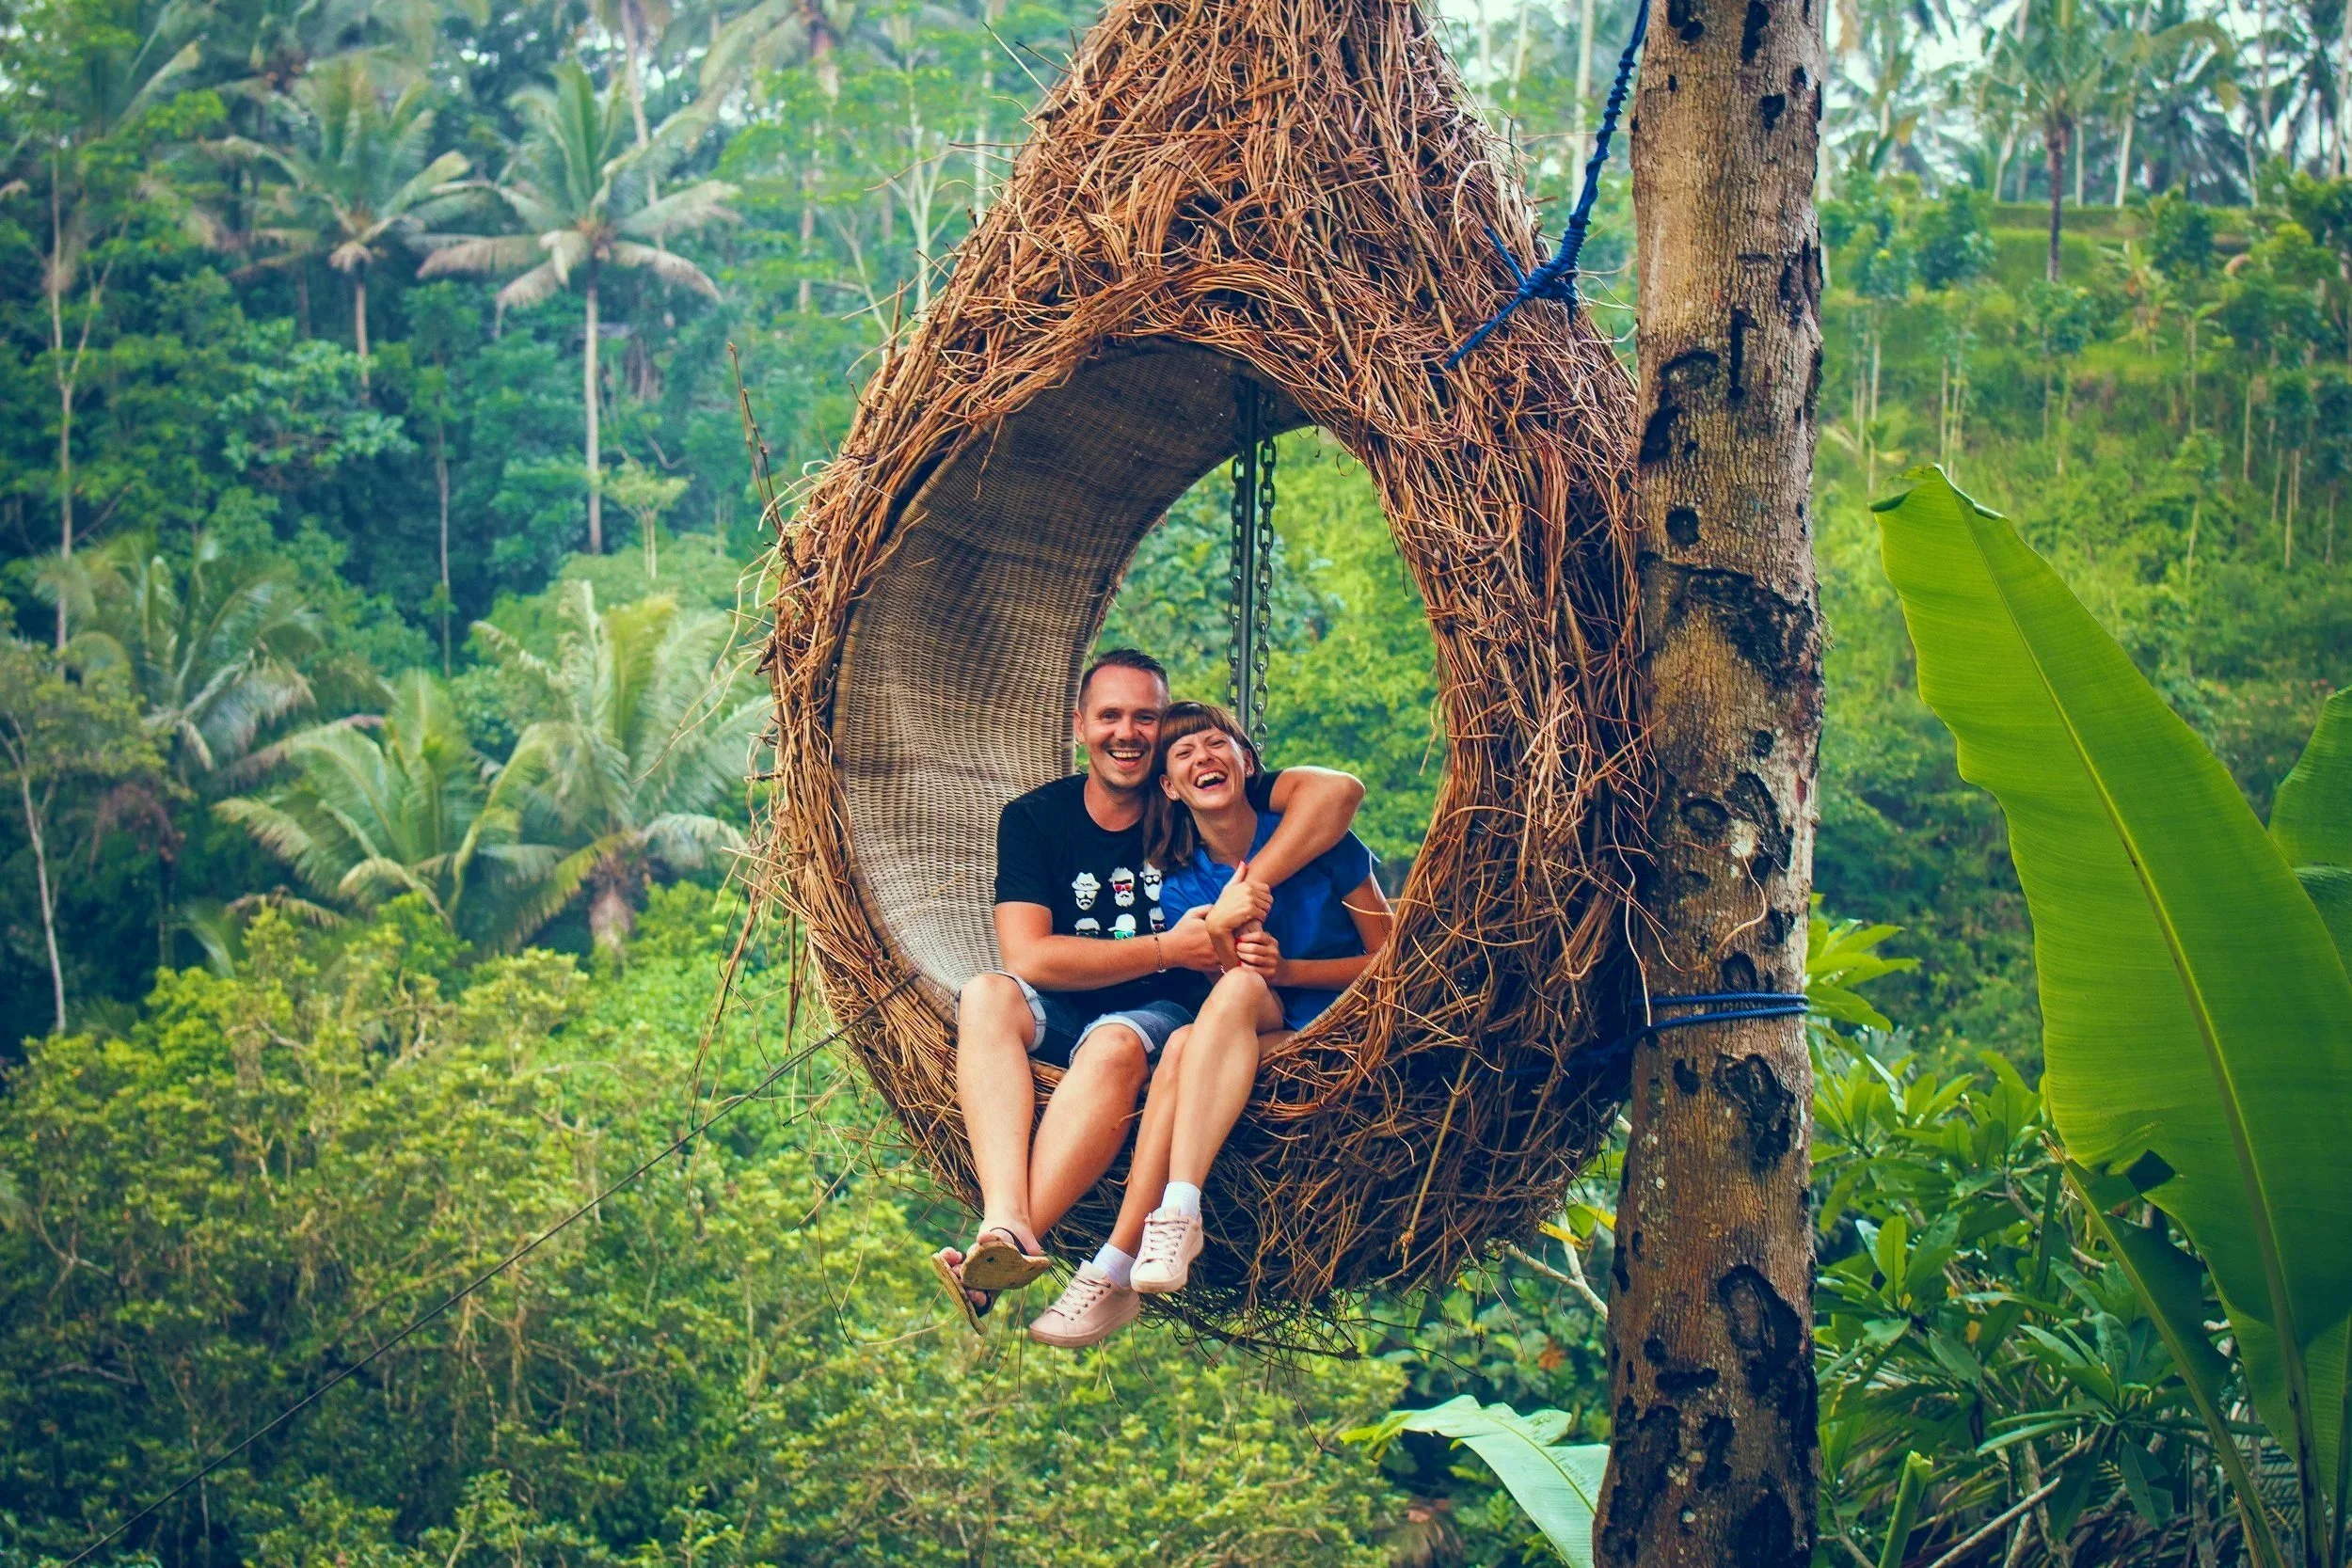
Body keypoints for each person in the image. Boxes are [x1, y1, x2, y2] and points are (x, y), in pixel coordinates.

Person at [935, 652, 1366, 1332]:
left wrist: (1241, 890)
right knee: (986, 991)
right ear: (1081, 725)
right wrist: (1172, 945)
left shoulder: (1199, 801)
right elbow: (1026, 955)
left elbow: (1338, 794)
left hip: (1159, 1011)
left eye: (1146, 717)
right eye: (1110, 715)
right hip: (1068, 997)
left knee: (1113, 1044)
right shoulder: (1037, 818)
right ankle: (1004, 1220)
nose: (1128, 732)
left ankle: (1012, 1246)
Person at [1024, 700, 1392, 1346]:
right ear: (1167, 786)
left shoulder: (1322, 841)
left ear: (1246, 762)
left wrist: (1291, 968)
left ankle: (1143, 1236)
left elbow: (1395, 960)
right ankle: (1146, 1239)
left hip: (1350, 1028)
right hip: (1267, 1035)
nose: (1203, 758)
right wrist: (1225, 927)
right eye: (1184, 754)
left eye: (1216, 743)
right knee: (1195, 1034)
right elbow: (1229, 986)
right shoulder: (1181, 886)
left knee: (1204, 1029)